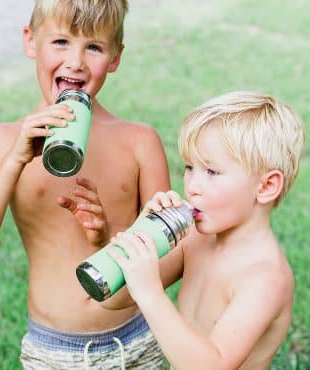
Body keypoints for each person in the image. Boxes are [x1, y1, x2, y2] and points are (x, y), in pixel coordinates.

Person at [0, 1, 172, 368]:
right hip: (52, 350)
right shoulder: (5, 140)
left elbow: (171, 251)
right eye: (60, 42)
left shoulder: (139, 142)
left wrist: (107, 243)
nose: (75, 61)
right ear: (30, 41)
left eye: (94, 47)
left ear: (116, 57)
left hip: (135, 341)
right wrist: (15, 158)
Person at [107, 91, 305, 370]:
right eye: (189, 167)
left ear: (266, 187)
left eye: (212, 172)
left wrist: (151, 293)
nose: (192, 186)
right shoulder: (195, 239)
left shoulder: (265, 277)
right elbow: (111, 299)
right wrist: (142, 233)